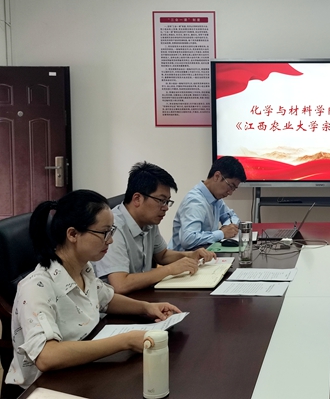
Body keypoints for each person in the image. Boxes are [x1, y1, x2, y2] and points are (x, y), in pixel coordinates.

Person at [5, 190, 181, 390]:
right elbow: (47, 356)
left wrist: (147, 308)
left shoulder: (83, 268)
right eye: (104, 232)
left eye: (111, 231)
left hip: (78, 371)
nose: (110, 240)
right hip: (40, 387)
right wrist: (125, 341)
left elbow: (106, 298)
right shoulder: (36, 287)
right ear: (73, 234)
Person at [93, 162, 215, 294]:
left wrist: (191, 255)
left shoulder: (149, 222)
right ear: (137, 199)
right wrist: (169, 269)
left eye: (167, 201)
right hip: (112, 303)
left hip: (141, 294)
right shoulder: (113, 227)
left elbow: (162, 255)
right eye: (161, 200)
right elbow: (120, 284)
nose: (166, 207)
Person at [169, 156, 247, 251]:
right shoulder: (195, 201)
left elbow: (232, 216)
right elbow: (188, 240)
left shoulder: (215, 198)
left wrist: (228, 227)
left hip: (204, 253)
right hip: (183, 257)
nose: (230, 193)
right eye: (230, 186)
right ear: (217, 176)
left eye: (234, 189)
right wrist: (222, 233)